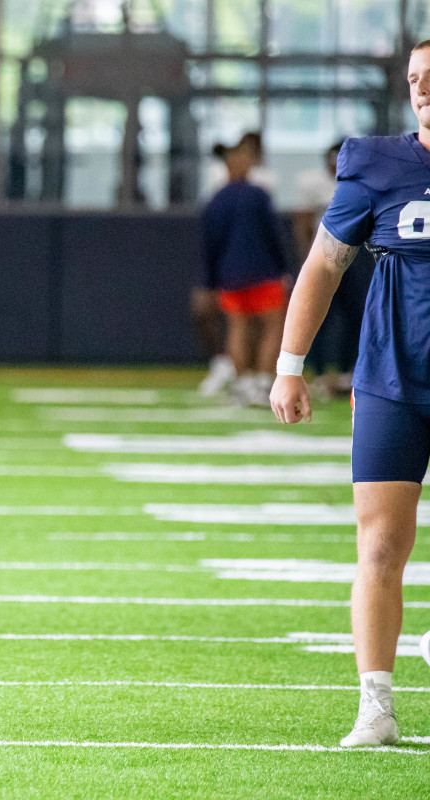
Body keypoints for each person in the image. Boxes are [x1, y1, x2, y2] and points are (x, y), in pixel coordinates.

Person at [271, 39, 430, 747]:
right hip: (393, 377)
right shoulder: (377, 163)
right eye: (414, 79)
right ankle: (376, 704)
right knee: (381, 544)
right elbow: (322, 267)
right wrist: (288, 363)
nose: (421, 88)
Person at [200, 134, 289, 407]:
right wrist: (284, 268)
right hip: (264, 272)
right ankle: (262, 382)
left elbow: (209, 245)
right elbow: (274, 236)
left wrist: (211, 281)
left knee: (237, 328)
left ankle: (242, 383)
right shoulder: (258, 195)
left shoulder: (215, 200)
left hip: (231, 275)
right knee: (273, 327)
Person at [295, 140, 373, 399]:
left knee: (355, 315)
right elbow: (304, 222)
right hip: (324, 257)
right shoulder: (314, 183)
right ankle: (317, 373)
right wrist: (309, 257)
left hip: (352, 257)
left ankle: (343, 372)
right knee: (318, 316)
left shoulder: (358, 184)